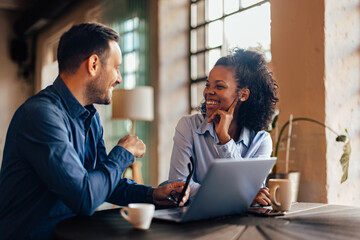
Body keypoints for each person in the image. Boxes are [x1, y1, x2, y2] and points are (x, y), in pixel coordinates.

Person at [0, 23, 189, 240]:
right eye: (116, 67)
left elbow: (103, 183)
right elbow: (85, 197)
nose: (119, 78)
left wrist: (152, 194)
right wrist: (123, 152)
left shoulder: (91, 116)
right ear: (93, 64)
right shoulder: (40, 115)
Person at [169, 49, 278, 205]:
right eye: (208, 85)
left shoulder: (261, 141)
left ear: (243, 95)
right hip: (195, 223)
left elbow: (253, 189)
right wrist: (241, 196)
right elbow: (179, 185)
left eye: (219, 87)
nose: (208, 92)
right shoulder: (188, 127)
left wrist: (224, 139)